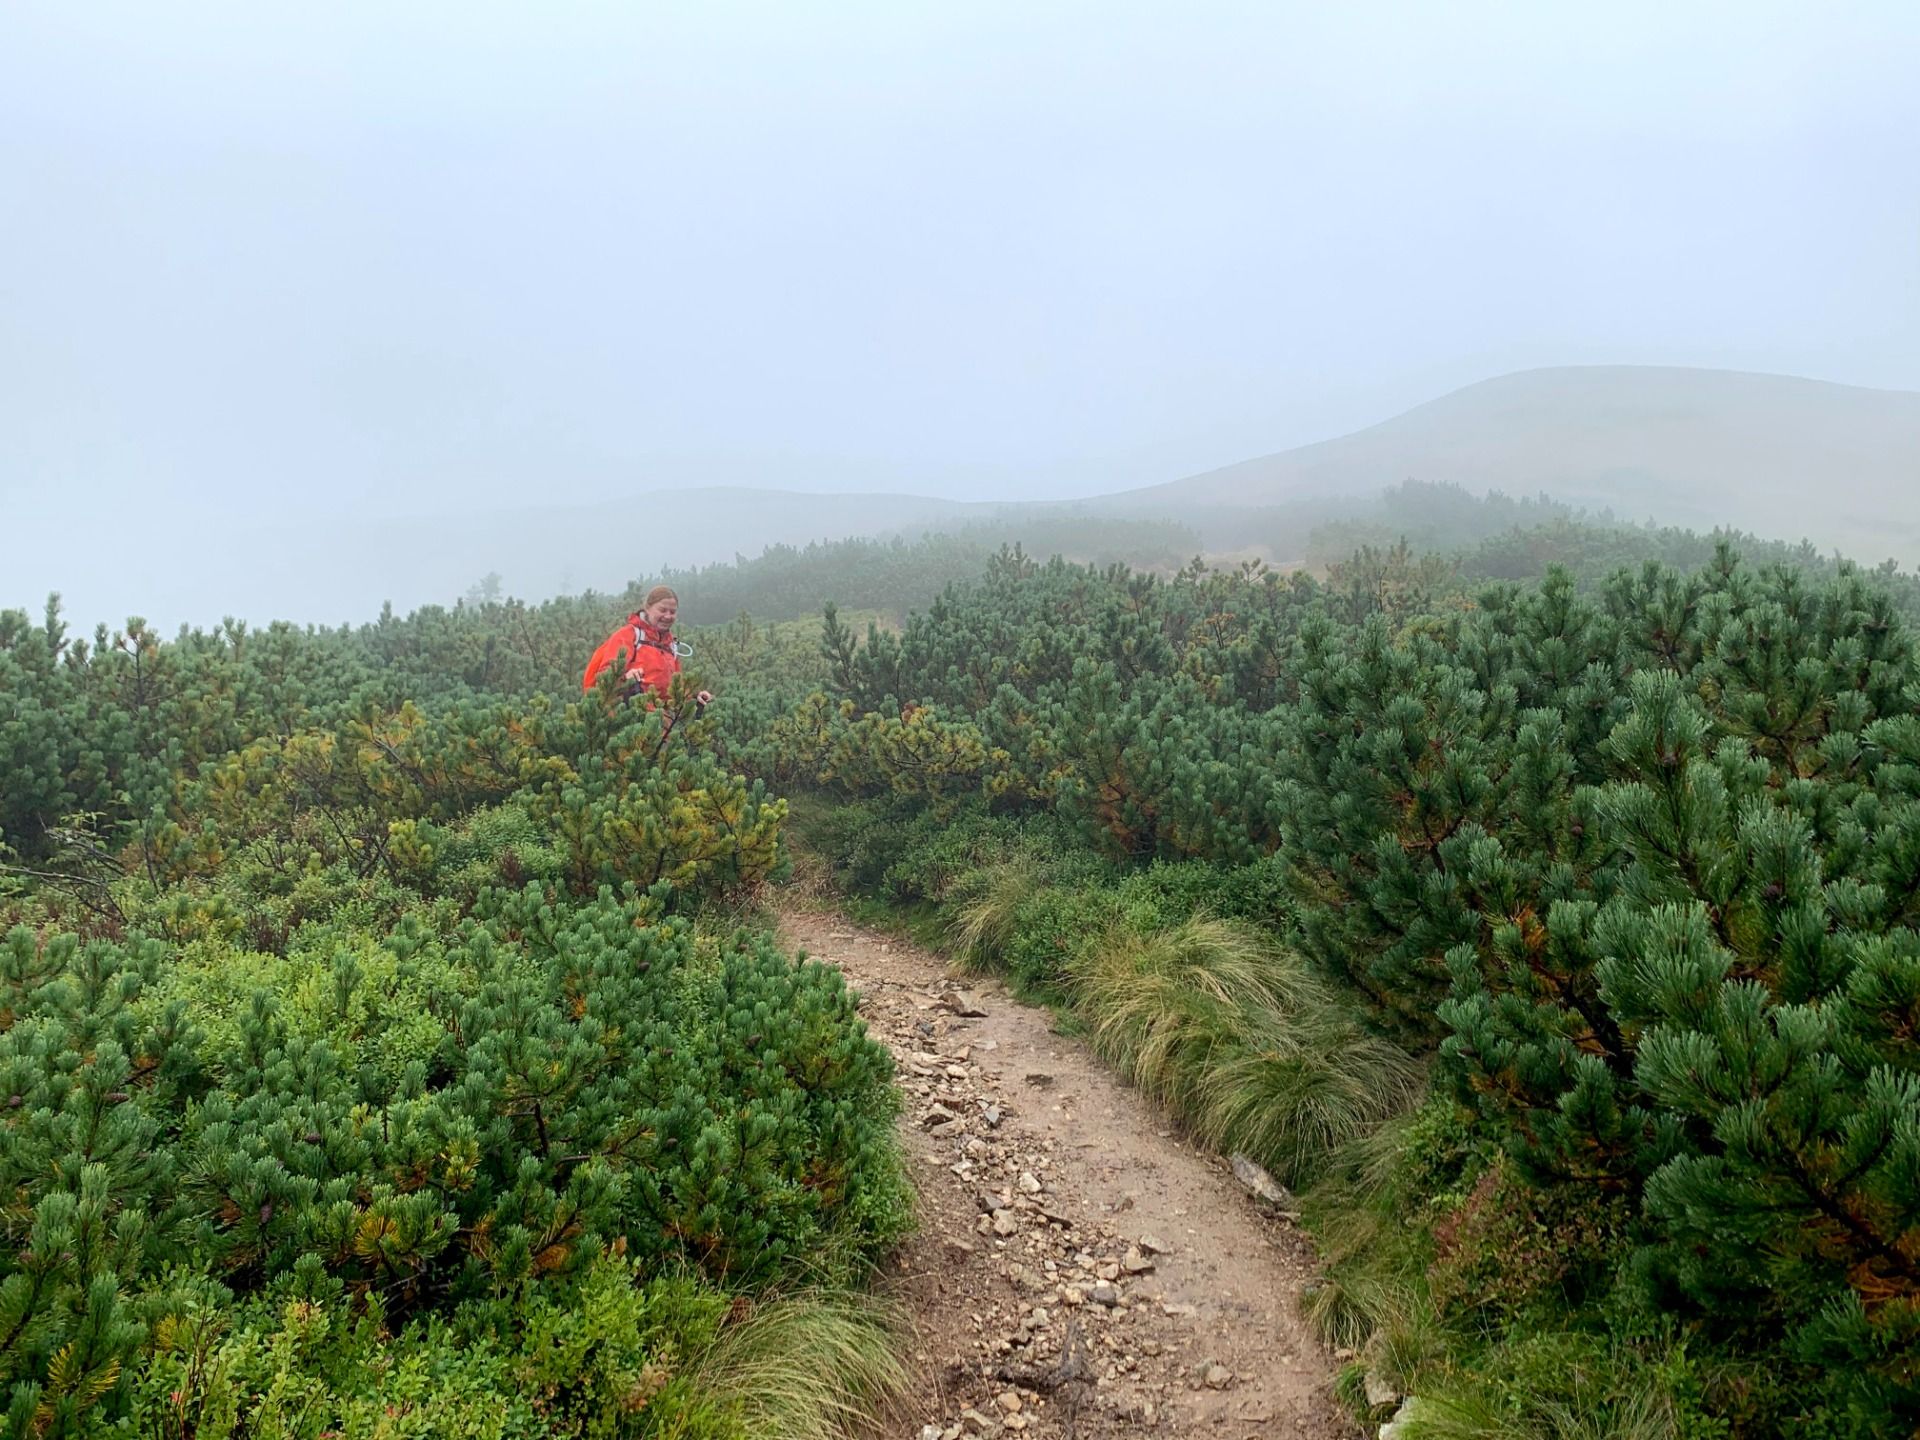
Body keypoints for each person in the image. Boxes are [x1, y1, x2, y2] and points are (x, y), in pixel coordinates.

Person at [582, 585, 714, 708]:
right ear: (648, 608)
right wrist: (625, 679)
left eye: (672, 612)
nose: (668, 616)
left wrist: (694, 696)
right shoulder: (628, 635)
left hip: (662, 724)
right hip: (630, 722)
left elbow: (674, 689)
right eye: (662, 610)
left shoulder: (670, 646)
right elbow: (604, 678)